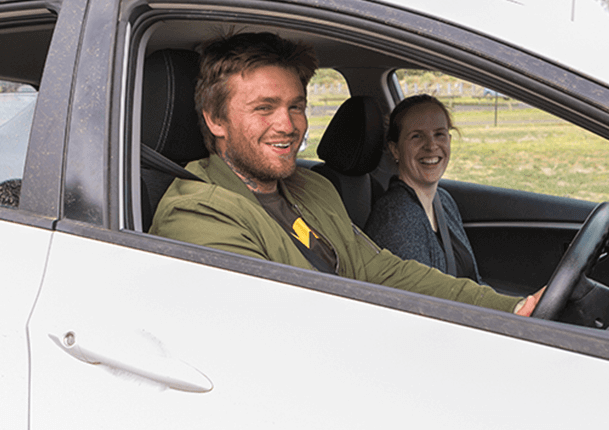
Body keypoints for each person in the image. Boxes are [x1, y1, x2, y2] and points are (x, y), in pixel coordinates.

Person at [149, 32, 539, 316]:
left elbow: (381, 270)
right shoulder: (197, 214)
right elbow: (275, 330)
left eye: (296, 106)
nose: (288, 125)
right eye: (264, 108)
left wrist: (509, 307)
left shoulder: (312, 187)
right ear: (216, 120)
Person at [365, 94, 481, 283]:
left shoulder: (443, 200)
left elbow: (473, 279)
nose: (431, 145)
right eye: (417, 136)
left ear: (449, 140)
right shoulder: (396, 218)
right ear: (395, 149)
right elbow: (425, 304)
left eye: (439, 134)